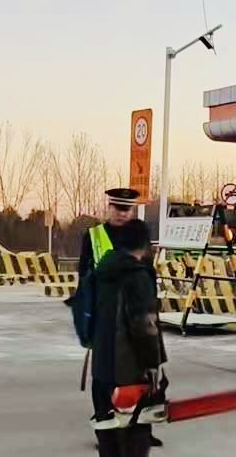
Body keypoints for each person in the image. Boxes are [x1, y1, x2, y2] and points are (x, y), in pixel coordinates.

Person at [72, 187, 163, 448]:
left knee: (139, 375)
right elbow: (84, 278)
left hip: (134, 312)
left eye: (127, 209)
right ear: (109, 207)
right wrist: (87, 319)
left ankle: (141, 429)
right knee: (104, 377)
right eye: (118, 208)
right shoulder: (93, 236)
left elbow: (148, 273)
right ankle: (105, 427)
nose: (122, 214)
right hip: (104, 313)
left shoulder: (139, 233)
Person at [91, 219, 167, 457]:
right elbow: (144, 325)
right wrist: (152, 364)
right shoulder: (137, 275)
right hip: (129, 369)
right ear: (144, 244)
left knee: (108, 434)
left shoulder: (102, 270)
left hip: (101, 366)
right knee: (135, 434)